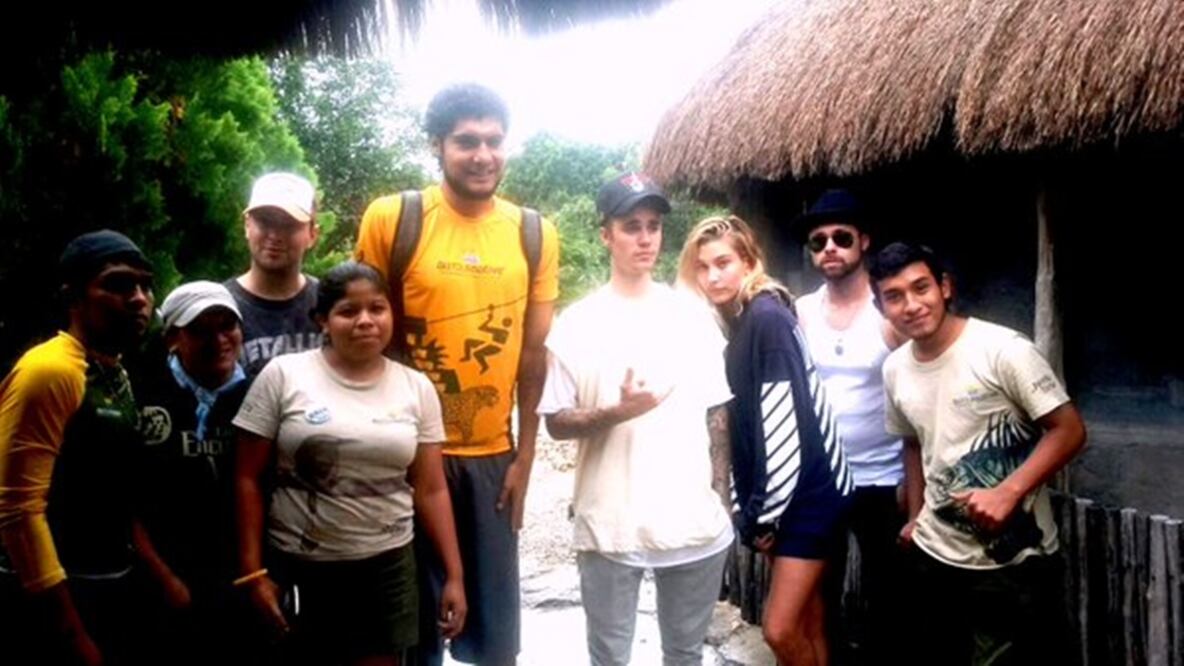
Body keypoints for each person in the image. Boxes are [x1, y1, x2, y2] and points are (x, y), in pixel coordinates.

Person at [355, 83, 558, 666]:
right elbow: (365, 332)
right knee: (414, 635)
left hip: (493, 456)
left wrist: (525, 457)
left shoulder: (533, 233)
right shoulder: (396, 219)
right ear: (438, 145)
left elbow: (532, 354)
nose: (482, 155)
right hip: (409, 456)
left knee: (495, 643)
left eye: (494, 141)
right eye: (466, 141)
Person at [539, 173, 734, 666]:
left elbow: (717, 417)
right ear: (605, 234)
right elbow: (556, 423)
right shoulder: (577, 324)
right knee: (609, 657)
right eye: (631, 226)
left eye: (653, 226)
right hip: (610, 522)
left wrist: (721, 500)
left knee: (686, 655)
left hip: (690, 520)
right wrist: (616, 413)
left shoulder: (691, 316)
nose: (645, 237)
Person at [233, 261, 466, 666]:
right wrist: (254, 573)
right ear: (323, 320)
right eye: (347, 311)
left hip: (385, 565)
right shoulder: (284, 375)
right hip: (297, 564)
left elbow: (431, 488)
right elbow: (246, 477)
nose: (365, 321)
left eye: (377, 308)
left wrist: (455, 576)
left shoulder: (416, 387)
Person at [870, 241, 1086, 665]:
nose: (911, 305)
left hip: (1015, 560)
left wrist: (1008, 492)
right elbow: (912, 442)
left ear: (944, 287)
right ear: (880, 307)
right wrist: (915, 516)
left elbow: (1070, 430)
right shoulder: (895, 368)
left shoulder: (1003, 350)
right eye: (894, 297)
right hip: (936, 554)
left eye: (921, 288)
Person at [680, 215, 853, 666]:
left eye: (724, 262)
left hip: (808, 493)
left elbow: (783, 423)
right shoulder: (742, 320)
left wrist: (762, 514)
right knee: (809, 621)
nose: (713, 275)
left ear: (749, 261)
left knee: (778, 630)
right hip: (793, 491)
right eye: (702, 267)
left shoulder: (766, 318)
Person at [0, 230, 154, 665]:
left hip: (110, 585)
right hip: (53, 601)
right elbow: (17, 510)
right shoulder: (50, 370)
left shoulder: (113, 373)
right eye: (119, 284)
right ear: (74, 296)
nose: (139, 298)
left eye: (145, 285)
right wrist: (72, 634)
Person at [792, 189, 907, 662]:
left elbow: (915, 394)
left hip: (884, 477)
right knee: (823, 592)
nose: (830, 249)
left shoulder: (890, 312)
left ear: (863, 241)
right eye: (819, 242)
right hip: (823, 478)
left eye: (841, 238)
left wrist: (912, 485)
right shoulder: (798, 311)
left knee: (890, 593)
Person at [131, 281, 250, 664]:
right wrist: (162, 577)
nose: (218, 340)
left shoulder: (263, 395)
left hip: (244, 582)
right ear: (171, 338)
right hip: (164, 581)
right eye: (200, 329)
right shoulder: (141, 392)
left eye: (226, 325)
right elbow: (124, 499)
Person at [226, 171, 323, 376]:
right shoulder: (220, 307)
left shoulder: (330, 305)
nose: (274, 235)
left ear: (312, 234)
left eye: (289, 225)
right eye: (265, 221)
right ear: (247, 225)